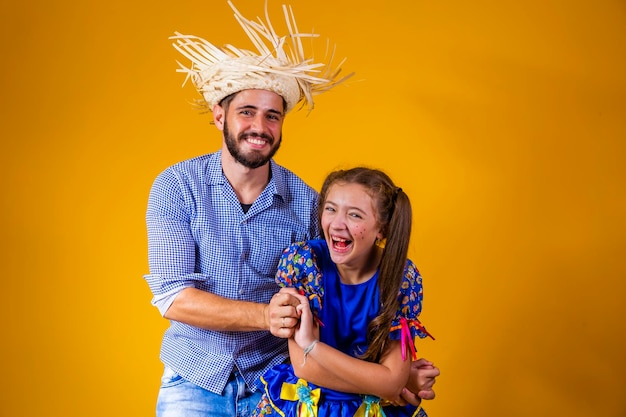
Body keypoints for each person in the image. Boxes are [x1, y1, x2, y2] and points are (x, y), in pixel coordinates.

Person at [144, 2, 439, 417]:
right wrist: (267, 315)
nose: (259, 127)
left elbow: (339, 305)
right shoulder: (177, 188)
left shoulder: (310, 204)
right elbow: (173, 298)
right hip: (195, 376)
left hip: (284, 382)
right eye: (246, 112)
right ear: (218, 115)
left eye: (272, 116)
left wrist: (396, 374)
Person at [254, 167, 436, 417]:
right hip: (310, 407)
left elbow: (392, 381)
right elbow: (306, 368)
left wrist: (312, 346)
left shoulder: (400, 276)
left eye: (355, 215)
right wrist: (384, 382)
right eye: (330, 209)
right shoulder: (305, 264)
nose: (337, 224)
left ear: (381, 229)